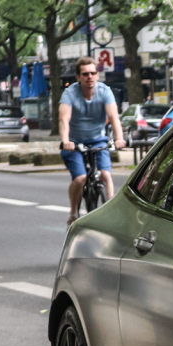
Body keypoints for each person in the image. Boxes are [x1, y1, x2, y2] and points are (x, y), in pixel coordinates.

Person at [59, 57, 126, 226]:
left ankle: (110, 211)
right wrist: (66, 140)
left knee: (105, 174)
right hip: (74, 143)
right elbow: (63, 119)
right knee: (81, 178)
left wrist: (119, 138)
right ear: (78, 77)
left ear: (97, 75)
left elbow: (114, 117)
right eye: (85, 74)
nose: (89, 77)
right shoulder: (69, 94)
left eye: (93, 73)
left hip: (98, 140)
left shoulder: (105, 91)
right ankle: (74, 212)